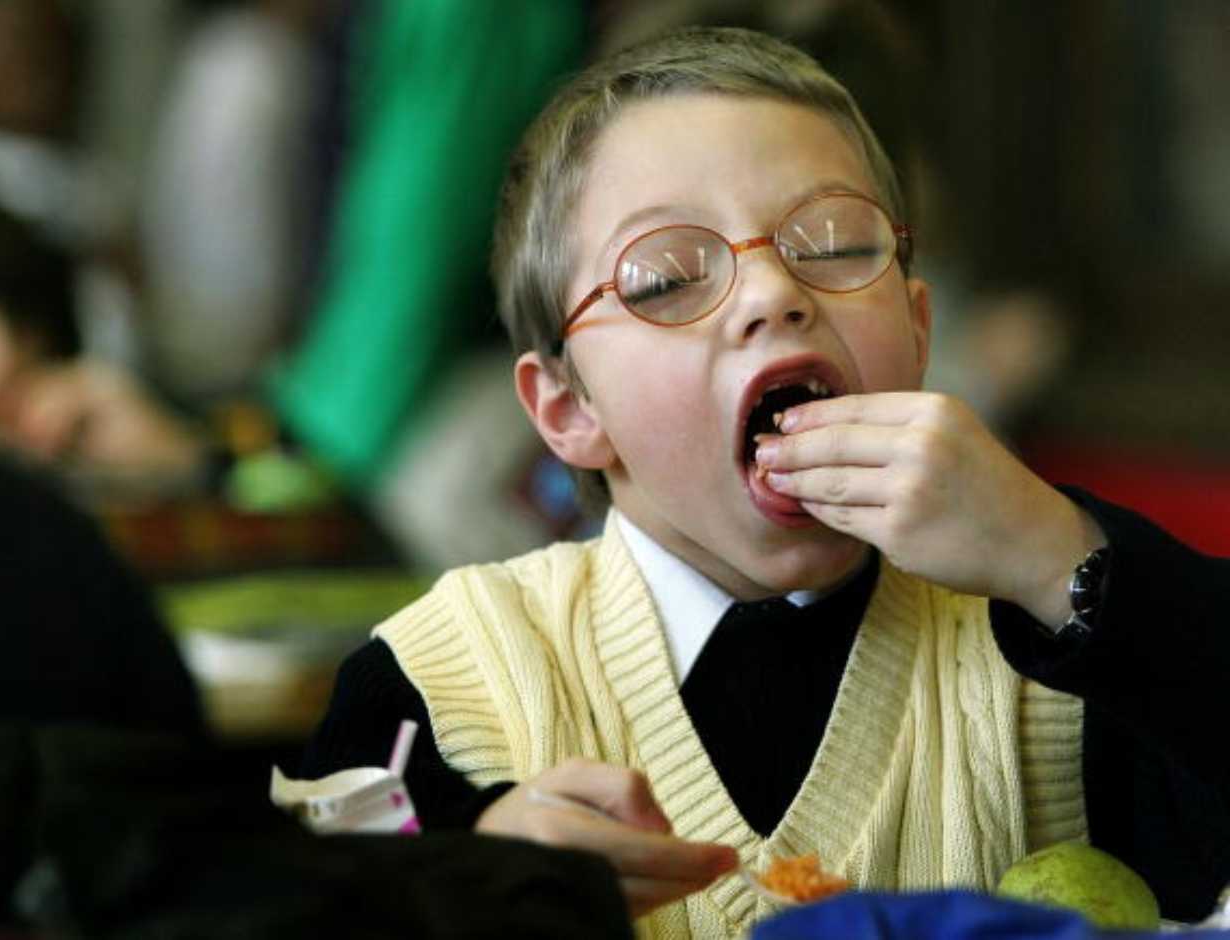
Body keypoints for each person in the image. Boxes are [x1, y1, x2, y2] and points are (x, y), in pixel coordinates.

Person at [297, 25, 1229, 936]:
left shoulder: (1064, 650)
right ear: (569, 409)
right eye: (663, 278)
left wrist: (1057, 554)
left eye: (829, 244)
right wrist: (464, 871)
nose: (772, 293)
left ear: (916, 331)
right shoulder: (440, 683)